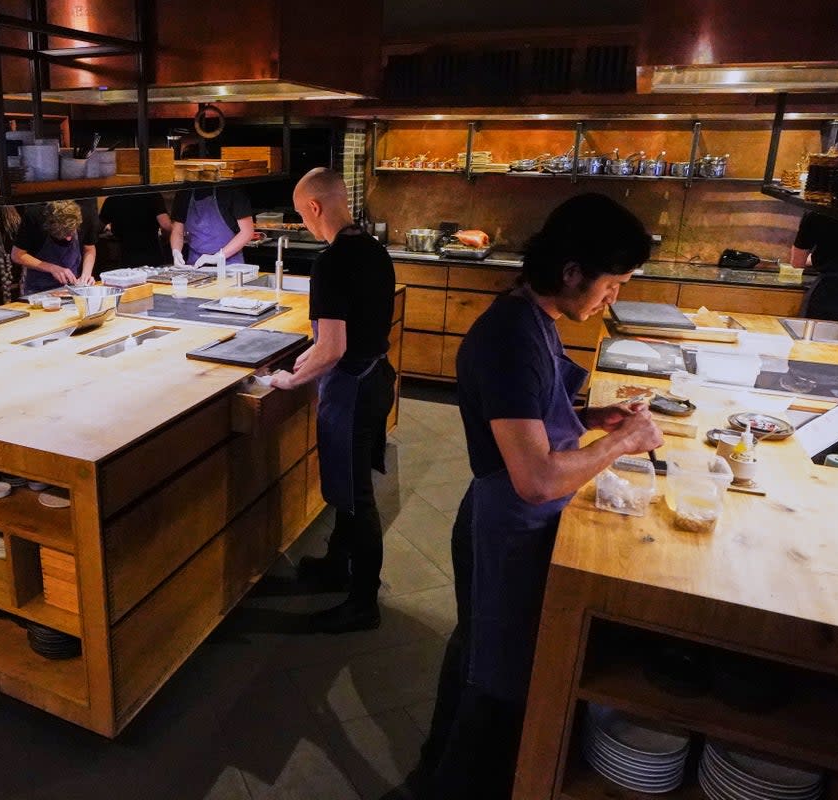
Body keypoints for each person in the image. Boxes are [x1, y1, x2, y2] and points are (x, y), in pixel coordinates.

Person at [409, 193, 664, 799]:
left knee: (479, 650)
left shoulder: (535, 317)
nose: (613, 298)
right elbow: (538, 477)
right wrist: (624, 443)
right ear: (572, 270)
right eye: (612, 284)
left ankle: (431, 769)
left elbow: (543, 408)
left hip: (518, 518)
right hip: (508, 521)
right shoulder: (508, 337)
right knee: (496, 680)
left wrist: (599, 415)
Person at [268, 168, 397, 634]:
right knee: (348, 487)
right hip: (377, 377)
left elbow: (334, 348)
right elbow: (352, 330)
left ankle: (363, 602)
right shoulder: (374, 250)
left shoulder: (331, 262)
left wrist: (288, 380)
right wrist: (310, 354)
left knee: (356, 496)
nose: (304, 222)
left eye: (302, 214)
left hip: (353, 388)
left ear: (315, 207)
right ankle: (335, 565)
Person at [11, 199, 101, 295]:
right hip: (38, 290)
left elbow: (89, 249)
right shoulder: (34, 217)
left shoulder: (86, 215)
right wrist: (52, 268)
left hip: (72, 289)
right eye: (63, 235)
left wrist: (86, 275)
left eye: (71, 233)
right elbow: (17, 255)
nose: (68, 239)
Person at [169, 186, 255, 268]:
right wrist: (176, 252)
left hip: (229, 263)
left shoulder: (231, 188)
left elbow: (247, 232)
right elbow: (177, 231)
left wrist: (219, 256)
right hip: (195, 264)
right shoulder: (184, 192)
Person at [99, 192, 172, 268]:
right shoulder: (152, 194)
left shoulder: (113, 199)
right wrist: (166, 239)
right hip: (152, 252)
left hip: (125, 254)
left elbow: (98, 227)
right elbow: (166, 226)